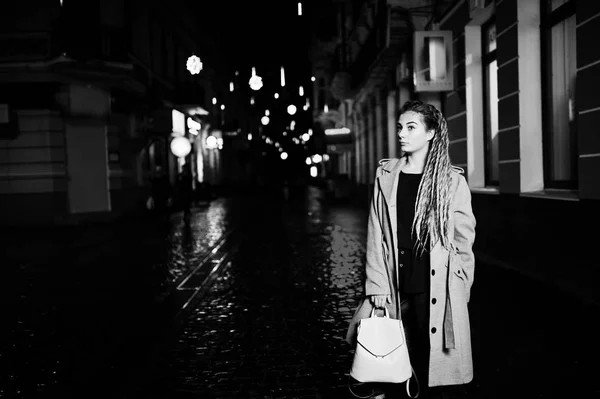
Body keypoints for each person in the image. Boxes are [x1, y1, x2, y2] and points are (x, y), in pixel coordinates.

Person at [346, 100, 476, 399]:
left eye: (411, 127)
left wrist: (461, 284)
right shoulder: (386, 176)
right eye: (400, 127)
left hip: (435, 284)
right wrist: (377, 283)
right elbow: (375, 232)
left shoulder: (451, 181)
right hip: (394, 283)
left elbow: (463, 239)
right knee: (390, 360)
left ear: (430, 133)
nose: (402, 134)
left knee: (431, 365)